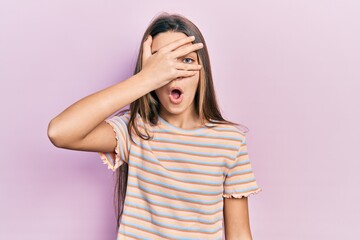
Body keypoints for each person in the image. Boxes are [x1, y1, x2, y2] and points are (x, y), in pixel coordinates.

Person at [47, 12, 262, 240]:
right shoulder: (135, 130)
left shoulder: (230, 141)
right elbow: (59, 132)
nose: (173, 73)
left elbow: (239, 233)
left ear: (202, 71)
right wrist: (145, 79)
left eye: (186, 60)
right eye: (162, 63)